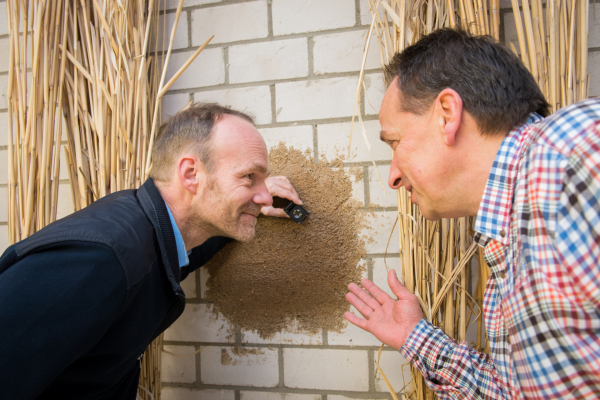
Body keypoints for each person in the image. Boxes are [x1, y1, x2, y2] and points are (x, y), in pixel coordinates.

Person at [345, 28, 600, 399]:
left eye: (396, 143)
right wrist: (415, 338)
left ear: (447, 114)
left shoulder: (569, 152)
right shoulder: (505, 257)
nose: (393, 176)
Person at [0, 103, 302, 399]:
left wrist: (248, 209)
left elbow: (188, 250)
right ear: (190, 174)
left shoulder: (156, 237)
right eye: (249, 176)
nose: (264, 197)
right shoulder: (100, 259)